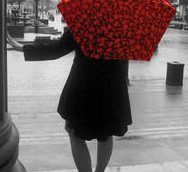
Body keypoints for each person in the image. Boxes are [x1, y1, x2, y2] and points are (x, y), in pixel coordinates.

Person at [7, 29, 132, 172]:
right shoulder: (121, 23)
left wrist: (23, 48)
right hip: (112, 84)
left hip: (84, 83)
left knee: (74, 132)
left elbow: (56, 49)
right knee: (106, 133)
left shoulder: (82, 21)